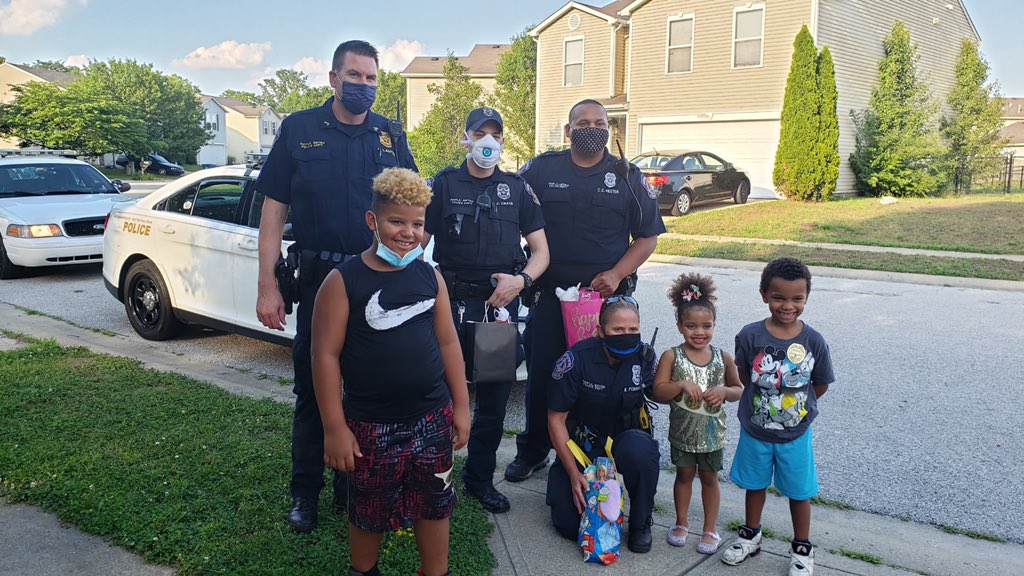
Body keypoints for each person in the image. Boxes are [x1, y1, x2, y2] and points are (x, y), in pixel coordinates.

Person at [255, 39, 416, 533]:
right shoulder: (299, 129)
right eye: (354, 76)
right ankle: (306, 491)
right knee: (313, 388)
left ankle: (356, 484)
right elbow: (274, 211)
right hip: (320, 278)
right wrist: (268, 285)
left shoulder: (389, 134)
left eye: (371, 78)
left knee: (367, 391)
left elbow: (410, 207)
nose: (363, 86)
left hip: (375, 277)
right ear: (332, 78)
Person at [311, 168, 470, 576]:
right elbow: (324, 356)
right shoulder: (343, 281)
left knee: (435, 503)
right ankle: (363, 571)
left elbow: (449, 343)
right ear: (373, 221)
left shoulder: (430, 277)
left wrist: (462, 408)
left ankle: (435, 571)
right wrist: (334, 427)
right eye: (396, 221)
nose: (407, 232)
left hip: (433, 418)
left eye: (417, 223)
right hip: (370, 427)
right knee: (369, 509)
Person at [506, 99, 665, 491]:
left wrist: (616, 273)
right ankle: (532, 450)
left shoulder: (627, 175)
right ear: (568, 130)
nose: (591, 128)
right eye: (583, 123)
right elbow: (510, 206)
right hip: (550, 298)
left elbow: (648, 237)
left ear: (609, 128)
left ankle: (598, 452)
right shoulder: (542, 168)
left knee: (604, 379)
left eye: (599, 122)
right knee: (543, 374)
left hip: (605, 304)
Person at [422, 107, 549, 514]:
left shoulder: (516, 188)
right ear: (466, 137)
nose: (488, 141)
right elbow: (413, 240)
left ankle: (478, 479)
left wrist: (522, 281)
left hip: (497, 309)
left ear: (503, 142)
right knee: (438, 395)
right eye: (481, 133)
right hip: (450, 309)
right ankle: (435, 477)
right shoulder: (443, 184)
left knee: (493, 402)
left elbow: (542, 251)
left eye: (495, 134)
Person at [722, 258, 835, 576]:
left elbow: (821, 384)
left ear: (807, 297)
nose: (788, 305)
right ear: (763, 294)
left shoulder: (814, 341)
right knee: (754, 485)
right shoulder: (749, 336)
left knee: (800, 491)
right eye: (778, 297)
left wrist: (793, 410)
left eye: (797, 298)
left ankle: (802, 546)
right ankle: (750, 535)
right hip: (755, 431)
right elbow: (742, 375)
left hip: (795, 435)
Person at [546, 296, 660, 553]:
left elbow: (661, 393)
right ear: (601, 331)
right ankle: (575, 485)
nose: (626, 335)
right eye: (618, 330)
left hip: (626, 441)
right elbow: (556, 419)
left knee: (641, 451)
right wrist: (574, 473)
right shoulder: (575, 360)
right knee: (569, 524)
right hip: (584, 447)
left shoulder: (645, 358)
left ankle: (641, 522)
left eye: (633, 330)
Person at [652, 273, 743, 554]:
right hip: (682, 432)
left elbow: (739, 388)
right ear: (679, 326)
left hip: (713, 435)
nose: (699, 332)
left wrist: (725, 392)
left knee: (710, 479)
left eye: (706, 326)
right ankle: (681, 522)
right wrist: (679, 384)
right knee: (683, 476)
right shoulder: (672, 356)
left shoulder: (723, 357)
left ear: (715, 325)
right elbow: (658, 392)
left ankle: (710, 528)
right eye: (691, 326)